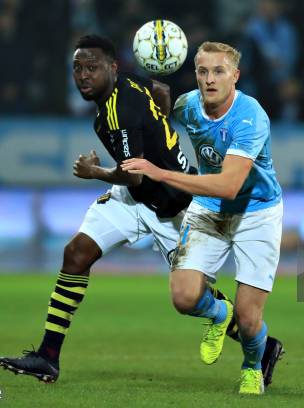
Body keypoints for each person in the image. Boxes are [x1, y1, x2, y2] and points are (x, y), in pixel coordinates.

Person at [0, 35, 283, 386]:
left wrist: (96, 172)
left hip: (170, 204)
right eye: (78, 68)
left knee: (189, 296)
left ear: (112, 69)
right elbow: (160, 97)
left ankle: (259, 343)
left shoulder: (120, 112)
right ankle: (48, 356)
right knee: (76, 253)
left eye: (92, 68)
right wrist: (159, 121)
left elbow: (133, 173)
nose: (84, 76)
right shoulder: (132, 84)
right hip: (133, 198)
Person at [121, 41, 283, 395]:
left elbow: (227, 185)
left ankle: (252, 366)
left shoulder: (249, 116)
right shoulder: (188, 106)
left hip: (255, 213)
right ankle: (218, 314)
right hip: (208, 211)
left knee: (250, 318)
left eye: (219, 71)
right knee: (183, 298)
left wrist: (160, 174)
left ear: (235, 76)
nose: (210, 80)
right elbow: (160, 119)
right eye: (203, 72)